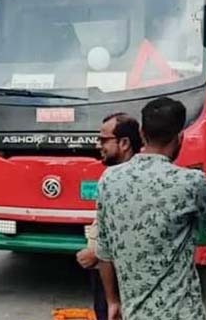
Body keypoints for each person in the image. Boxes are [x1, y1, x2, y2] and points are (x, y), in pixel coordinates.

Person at [96, 97, 206, 320]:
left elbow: (104, 249)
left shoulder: (109, 179)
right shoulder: (192, 182)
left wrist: (112, 300)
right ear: (179, 137)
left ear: (142, 134)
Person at [76, 113, 141, 320]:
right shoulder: (113, 177)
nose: (98, 146)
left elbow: (132, 231)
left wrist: (95, 253)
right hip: (105, 274)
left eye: (104, 140)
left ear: (124, 143)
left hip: (120, 275)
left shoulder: (132, 180)